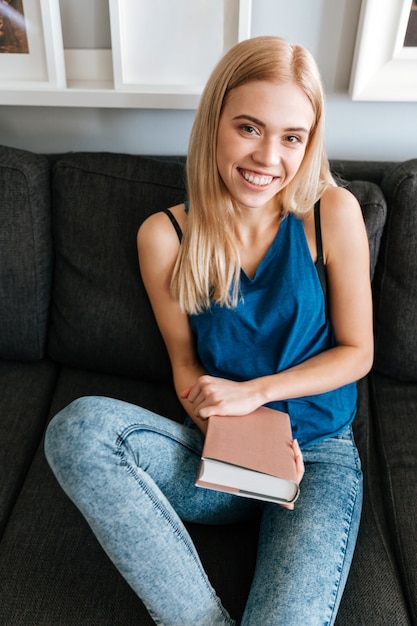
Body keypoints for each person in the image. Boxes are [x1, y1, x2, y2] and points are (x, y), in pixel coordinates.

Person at [45, 36, 373, 625]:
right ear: (214, 121)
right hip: (219, 457)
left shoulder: (332, 213)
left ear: (309, 142)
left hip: (318, 460)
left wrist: (259, 393)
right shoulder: (165, 236)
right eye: (249, 127)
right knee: (80, 430)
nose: (268, 157)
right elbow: (186, 368)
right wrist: (243, 450)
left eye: (291, 137)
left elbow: (358, 353)